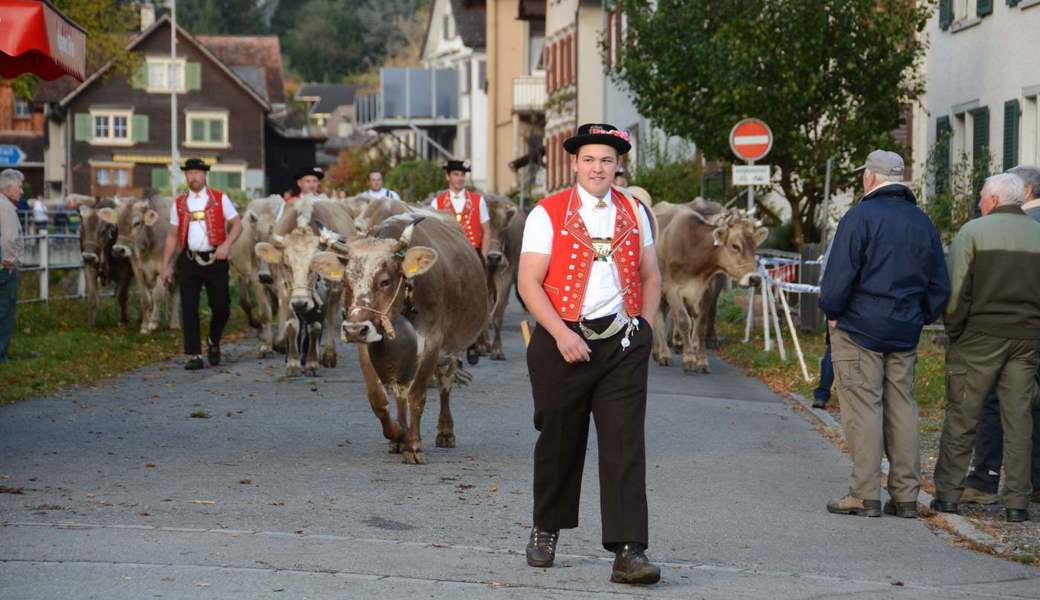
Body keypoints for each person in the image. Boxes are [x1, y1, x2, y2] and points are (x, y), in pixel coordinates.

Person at [517, 123, 662, 585]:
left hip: (622, 343)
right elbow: (528, 283)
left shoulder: (635, 211)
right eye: (589, 159)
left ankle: (629, 550)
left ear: (619, 165)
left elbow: (651, 274)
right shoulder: (548, 212)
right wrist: (561, 334)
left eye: (607, 159)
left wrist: (645, 330)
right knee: (559, 440)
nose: (598, 167)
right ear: (575, 164)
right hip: (562, 341)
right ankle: (546, 529)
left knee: (624, 445)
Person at [819, 149, 949, 519]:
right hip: (904, 328)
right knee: (902, 409)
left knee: (864, 409)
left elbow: (838, 278)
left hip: (860, 326)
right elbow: (940, 284)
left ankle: (864, 494)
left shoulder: (859, 217)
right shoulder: (923, 223)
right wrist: (919, 316)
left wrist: (833, 311)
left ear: (871, 178)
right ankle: (907, 496)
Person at [932, 173, 1040, 523]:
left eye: (981, 196)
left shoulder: (973, 232)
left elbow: (957, 289)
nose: (979, 201)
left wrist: (955, 331)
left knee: (963, 414)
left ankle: (948, 495)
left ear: (993, 200)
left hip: (978, 336)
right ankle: (1016, 504)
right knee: (1019, 420)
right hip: (1025, 339)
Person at [961, 165, 1040, 506]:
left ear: (1024, 192)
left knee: (995, 403)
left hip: (1002, 332)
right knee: (1028, 408)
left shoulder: (1009, 228)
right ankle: (1030, 485)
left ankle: (984, 479)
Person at [160, 158, 242, 370]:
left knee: (221, 307)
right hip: (189, 260)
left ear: (205, 175)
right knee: (189, 308)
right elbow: (171, 235)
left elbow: (236, 224)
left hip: (216, 259)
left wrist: (226, 245)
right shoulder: (179, 203)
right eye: (189, 173)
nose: (193, 177)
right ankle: (194, 354)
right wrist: (166, 266)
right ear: (185, 176)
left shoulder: (219, 198)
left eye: (197, 173)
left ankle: (214, 341)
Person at [431, 160, 491, 259]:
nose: (460, 178)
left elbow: (487, 231)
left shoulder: (479, 200)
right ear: (448, 177)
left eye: (462, 175)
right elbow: (433, 233)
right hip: (447, 257)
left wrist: (483, 258)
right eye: (456, 174)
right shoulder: (436, 203)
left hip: (474, 256)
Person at [0, 169, 25, 364]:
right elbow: (8, 239)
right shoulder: (6, 207)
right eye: (19, 186)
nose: (22, 191)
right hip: (5, 269)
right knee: (5, 311)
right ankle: (1, 355)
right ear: (8, 188)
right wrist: (9, 263)